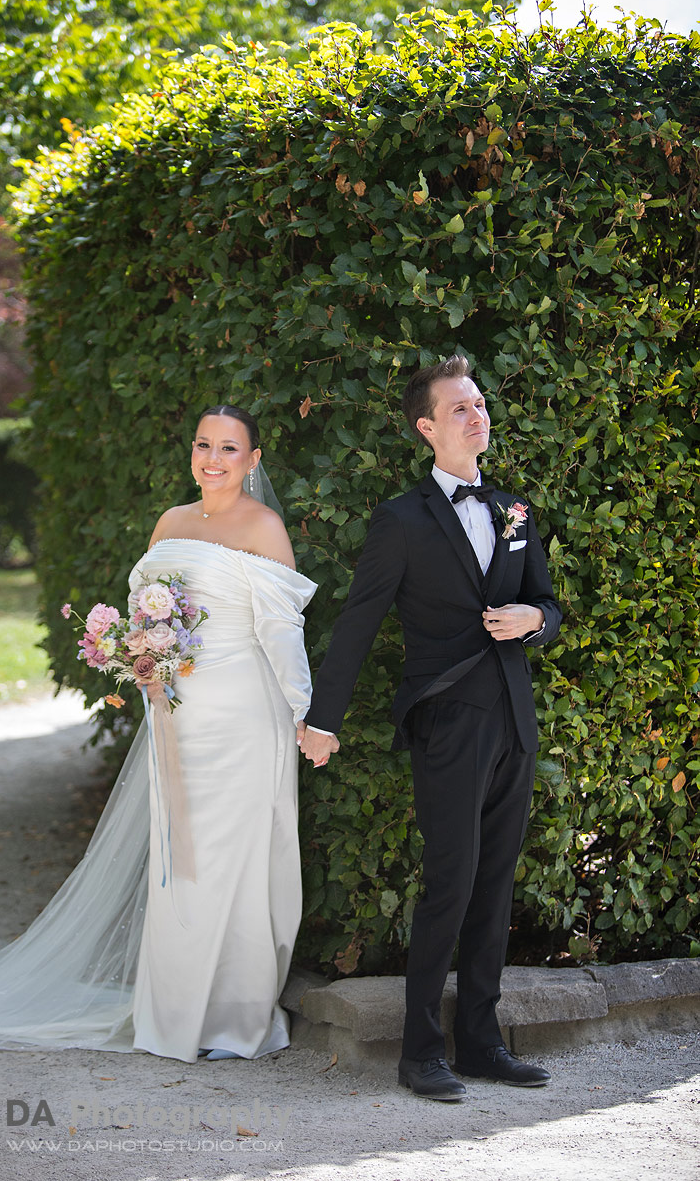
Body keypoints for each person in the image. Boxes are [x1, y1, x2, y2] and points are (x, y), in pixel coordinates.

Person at [0, 405, 317, 1062]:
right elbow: (152, 609)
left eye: (229, 448)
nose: (212, 458)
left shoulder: (265, 528)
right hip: (175, 713)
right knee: (182, 864)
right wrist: (143, 658)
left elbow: (281, 634)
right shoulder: (170, 523)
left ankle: (232, 1017)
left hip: (243, 721)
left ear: (253, 460)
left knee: (238, 861)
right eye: (203, 444)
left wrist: (301, 710)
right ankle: (174, 1016)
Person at [299, 356, 561, 1100]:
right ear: (426, 428)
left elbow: (548, 602)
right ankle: (420, 1053)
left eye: (479, 404)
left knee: (494, 886)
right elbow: (357, 624)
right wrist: (323, 719)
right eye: (458, 409)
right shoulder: (401, 519)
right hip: (447, 720)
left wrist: (534, 619)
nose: (476, 416)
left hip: (513, 719)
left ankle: (480, 1042)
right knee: (448, 882)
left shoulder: (514, 510)